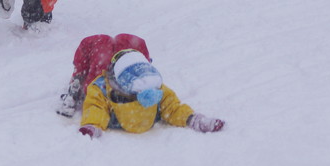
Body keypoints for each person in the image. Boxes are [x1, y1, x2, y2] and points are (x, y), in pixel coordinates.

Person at [56, 34, 225, 138]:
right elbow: (173, 108)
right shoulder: (153, 88)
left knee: (101, 44)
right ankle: (81, 75)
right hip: (124, 66)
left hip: (109, 70)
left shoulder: (101, 87)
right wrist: (194, 120)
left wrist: (92, 127)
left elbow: (96, 108)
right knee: (126, 42)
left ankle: (78, 77)